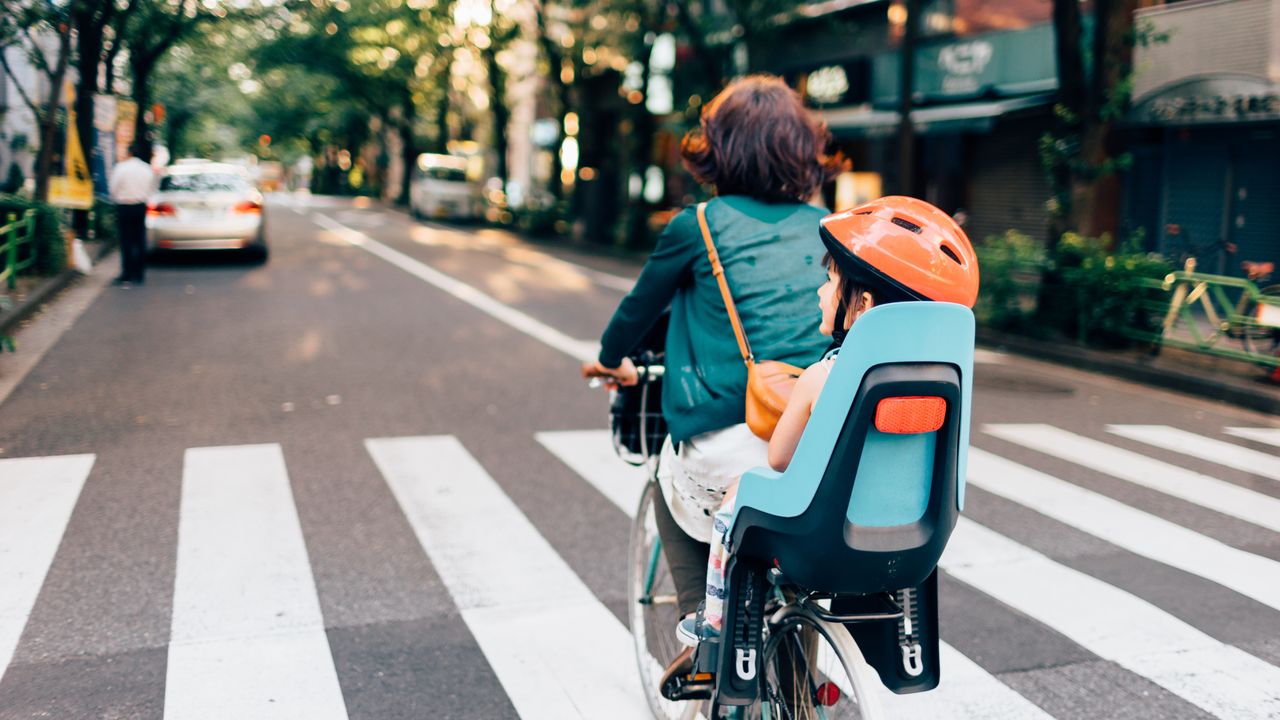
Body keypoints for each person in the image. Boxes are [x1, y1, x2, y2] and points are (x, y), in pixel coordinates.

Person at [582, 75, 842, 680]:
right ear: (802, 149)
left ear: (718, 148)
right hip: (826, 439)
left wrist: (610, 358)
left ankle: (707, 628)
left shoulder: (695, 226)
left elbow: (633, 318)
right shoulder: (831, 226)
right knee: (794, 535)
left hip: (733, 439)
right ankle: (799, 664)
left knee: (671, 482)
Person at [676, 195, 981, 652]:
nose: (820, 292)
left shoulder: (822, 376)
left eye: (829, 280)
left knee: (739, 493)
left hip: (816, 543)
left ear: (862, 304)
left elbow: (780, 457)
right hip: (913, 547)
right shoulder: (941, 380)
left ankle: (717, 618)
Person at [109, 143, 154, 286]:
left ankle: (127, 273)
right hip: (140, 205)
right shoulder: (146, 169)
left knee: (125, 240)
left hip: (124, 205)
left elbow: (113, 188)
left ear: (128, 153)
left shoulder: (121, 168)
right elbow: (151, 188)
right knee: (140, 238)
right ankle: (139, 273)